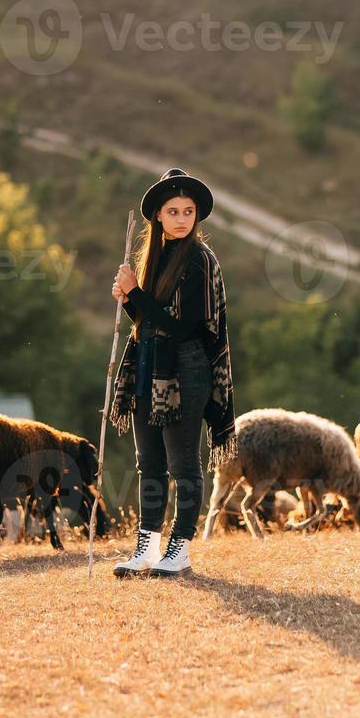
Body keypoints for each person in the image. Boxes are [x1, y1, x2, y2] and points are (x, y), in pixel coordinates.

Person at [107, 168, 237, 577]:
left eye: (188, 211)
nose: (182, 218)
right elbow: (150, 323)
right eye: (173, 211)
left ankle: (178, 550)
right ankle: (147, 548)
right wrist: (130, 300)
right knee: (150, 464)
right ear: (158, 217)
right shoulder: (157, 258)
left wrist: (137, 294)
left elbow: (184, 328)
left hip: (187, 371)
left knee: (183, 464)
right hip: (150, 367)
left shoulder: (199, 259)